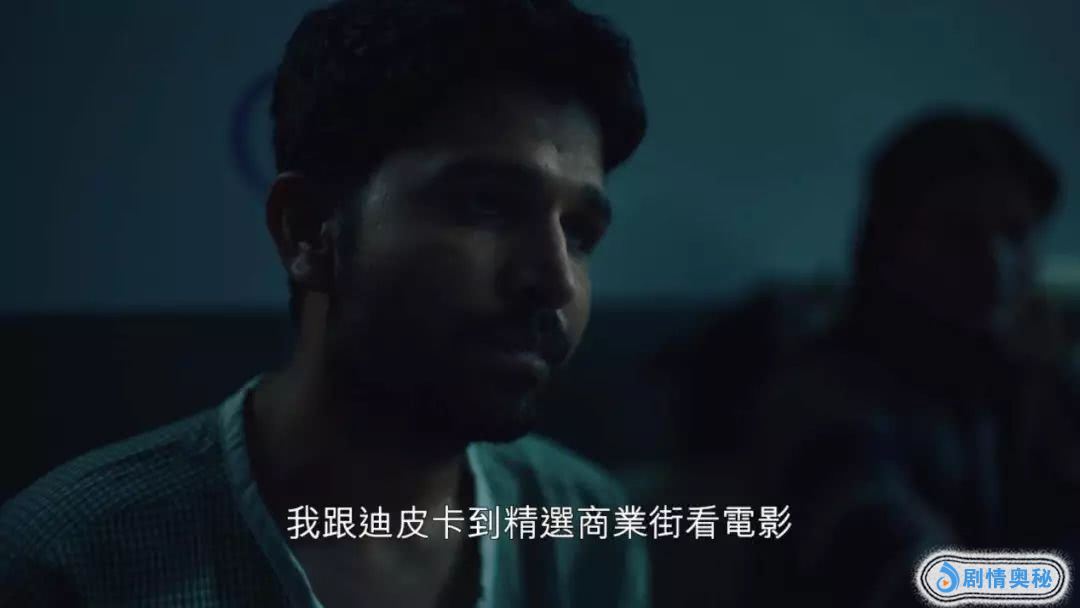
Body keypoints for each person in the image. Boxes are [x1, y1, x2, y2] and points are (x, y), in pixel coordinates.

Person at [0, 0, 649, 606]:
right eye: (486, 204)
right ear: (309, 231)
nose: (556, 281)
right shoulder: (70, 559)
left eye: (579, 233)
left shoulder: (585, 526)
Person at [741, 110, 1079, 606]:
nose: (996, 264)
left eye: (1016, 234)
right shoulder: (822, 398)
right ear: (888, 246)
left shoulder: (1030, 388)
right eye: (959, 234)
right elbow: (922, 582)